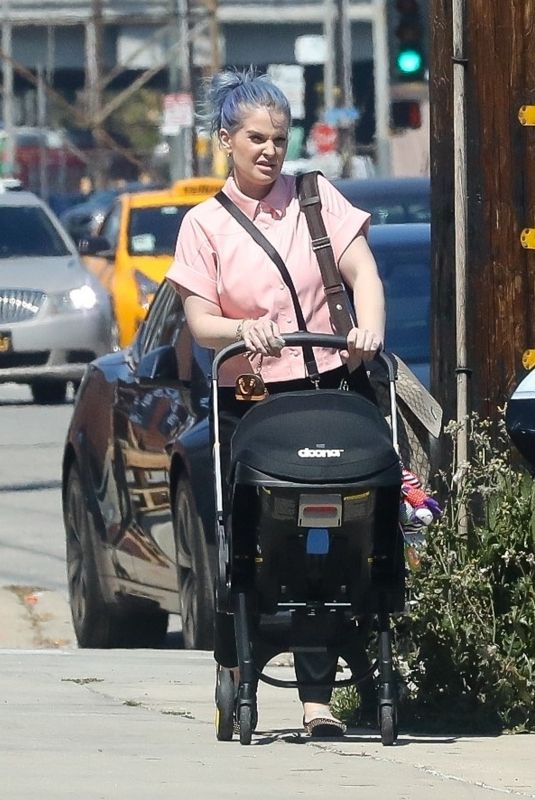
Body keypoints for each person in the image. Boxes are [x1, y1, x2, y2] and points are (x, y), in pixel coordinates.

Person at [166, 67, 385, 737]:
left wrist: (368, 327)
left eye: (279, 139)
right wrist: (242, 329)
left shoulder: (317, 199)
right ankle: (238, 655)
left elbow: (361, 271)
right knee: (262, 541)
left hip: (329, 390)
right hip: (256, 398)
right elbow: (201, 323)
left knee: (335, 541)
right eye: (255, 138)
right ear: (226, 140)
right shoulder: (203, 226)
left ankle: (319, 702)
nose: (269, 151)